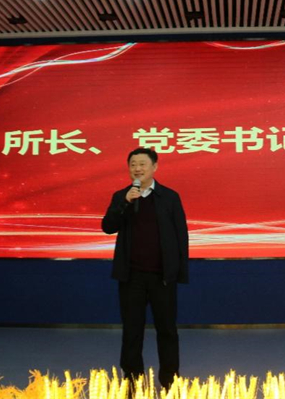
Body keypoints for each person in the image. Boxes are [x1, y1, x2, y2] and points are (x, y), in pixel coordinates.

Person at [102, 147, 189, 389]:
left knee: (167, 331)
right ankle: (132, 382)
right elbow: (107, 227)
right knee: (132, 332)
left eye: (142, 164)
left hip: (162, 277)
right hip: (131, 277)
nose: (137, 169)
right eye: (133, 165)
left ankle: (170, 382)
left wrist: (178, 273)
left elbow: (181, 236)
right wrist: (124, 204)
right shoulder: (122, 196)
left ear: (154, 167)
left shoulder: (169, 197)